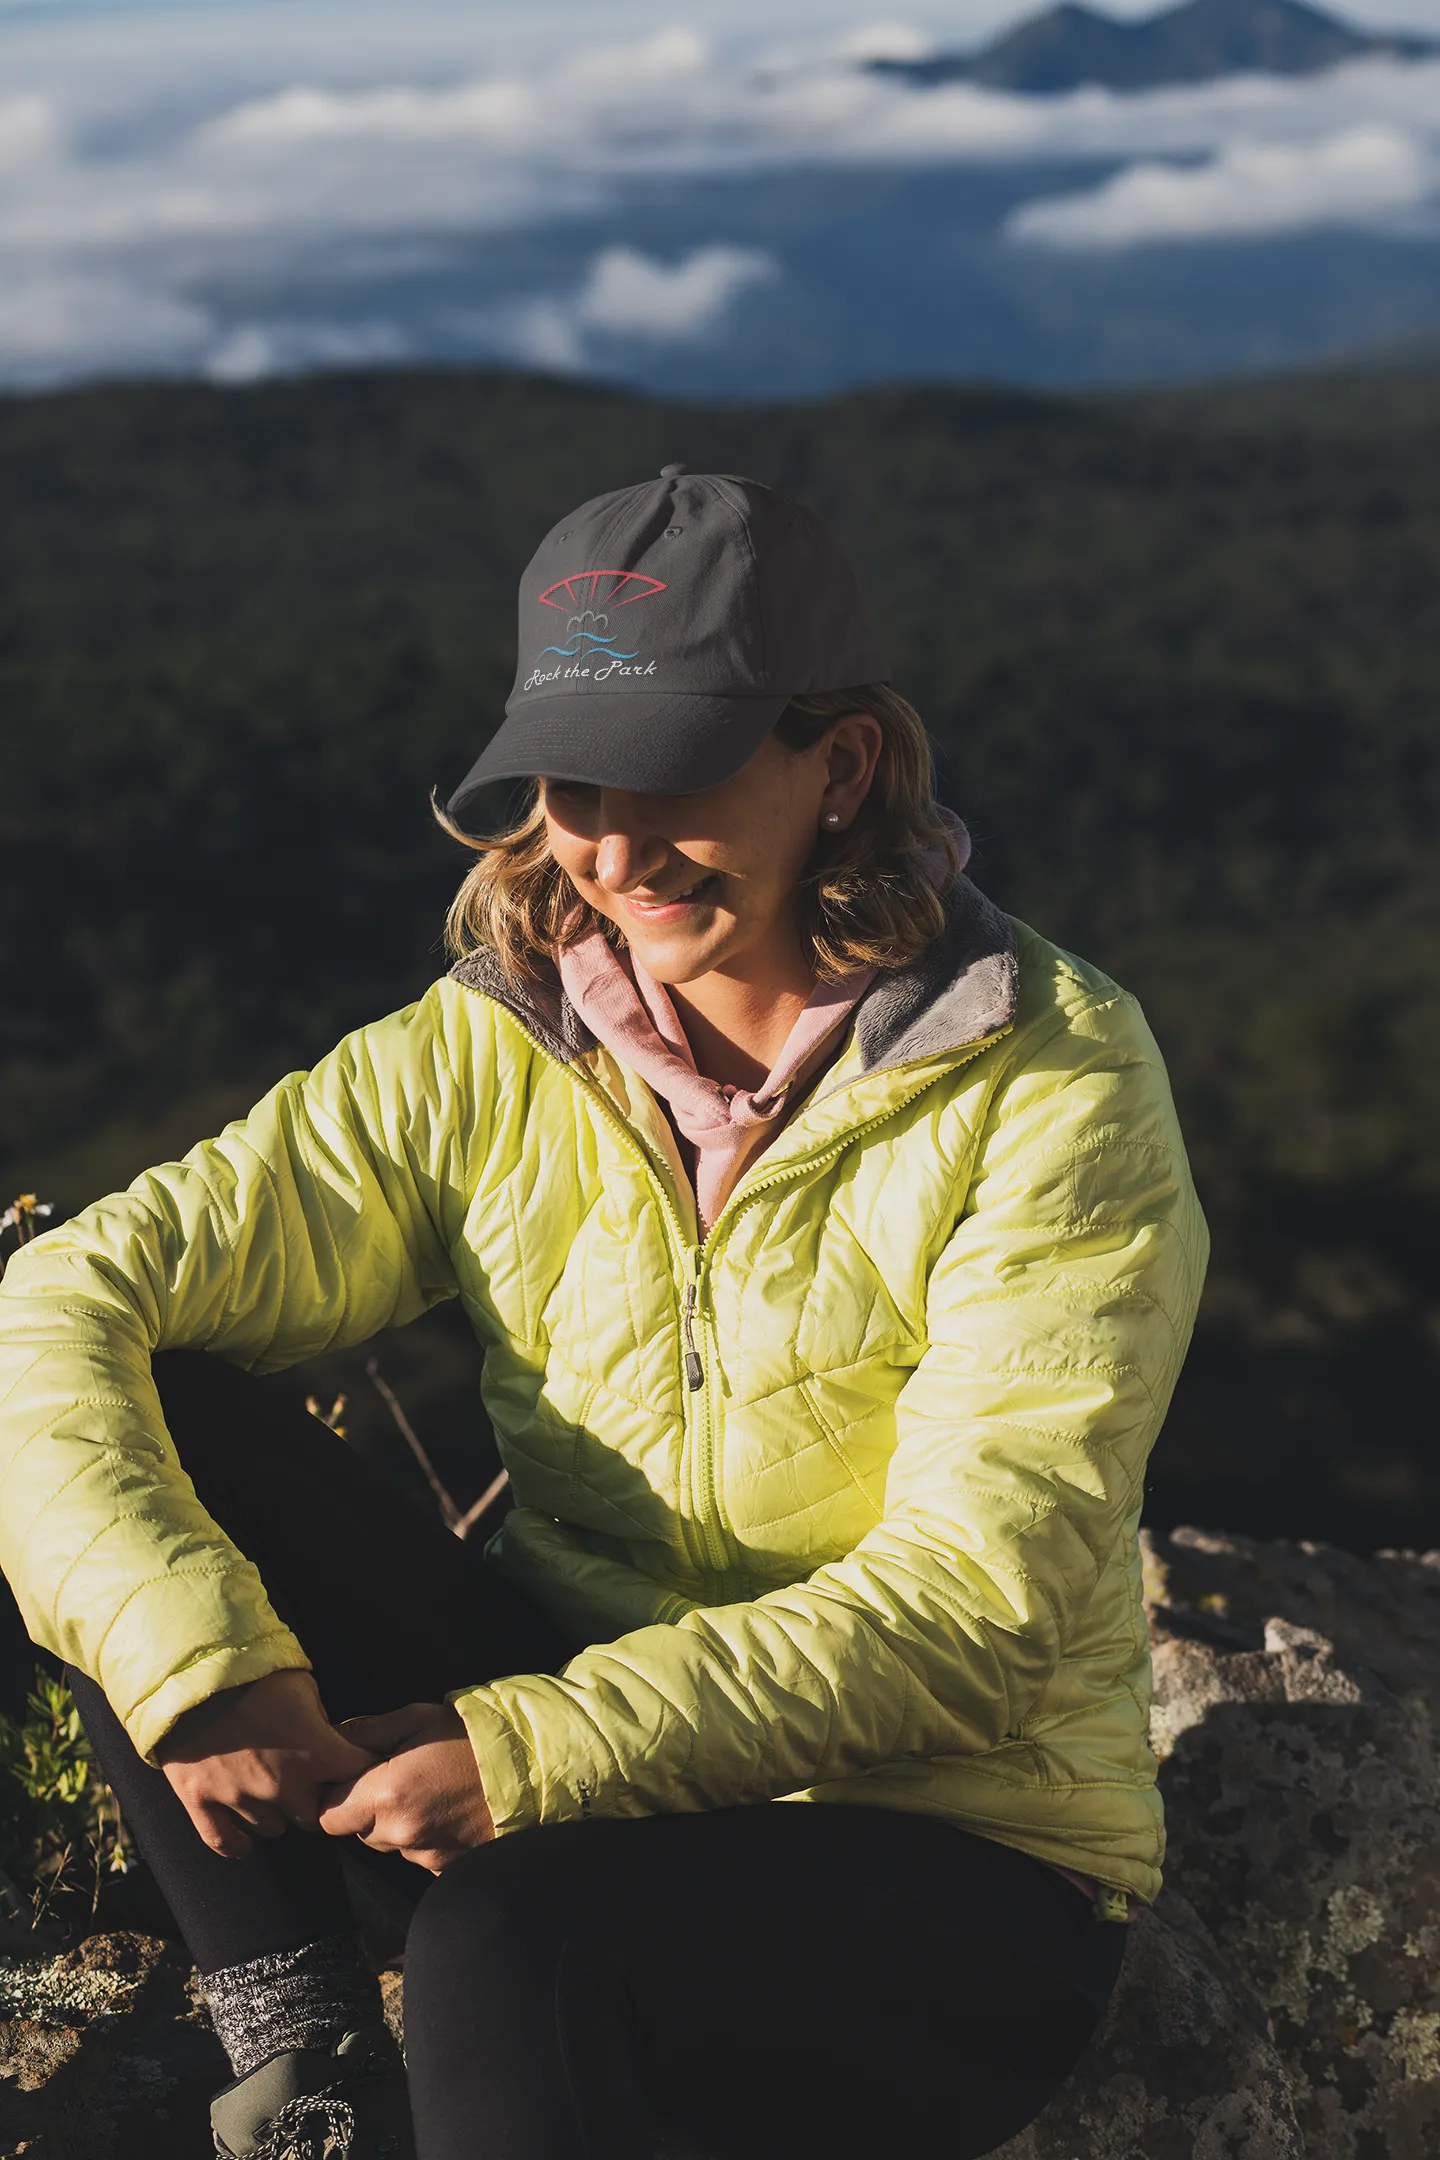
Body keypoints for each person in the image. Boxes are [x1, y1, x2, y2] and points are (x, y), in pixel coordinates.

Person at [0, 465, 1208, 2160]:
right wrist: (195, 1668)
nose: (617, 850)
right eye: (571, 783)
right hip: (554, 1743)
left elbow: (979, 1606)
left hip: (938, 1849)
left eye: (683, 775)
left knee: (517, 1944)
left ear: (841, 761)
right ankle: (308, 2062)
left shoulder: (1052, 1079)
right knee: (141, 1398)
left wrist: (523, 1748)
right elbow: (59, 1298)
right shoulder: (499, 1043)